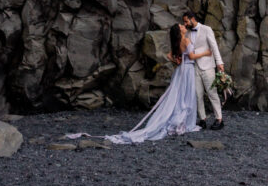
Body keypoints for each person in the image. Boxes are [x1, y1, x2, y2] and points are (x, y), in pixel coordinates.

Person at [67, 22, 200, 144]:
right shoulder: (186, 40)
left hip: (180, 70)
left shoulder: (177, 42)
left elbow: (170, 56)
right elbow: (192, 56)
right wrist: (205, 53)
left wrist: (177, 62)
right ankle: (184, 121)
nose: (183, 25)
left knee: (177, 95)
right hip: (187, 70)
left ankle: (177, 120)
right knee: (186, 94)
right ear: (179, 30)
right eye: (181, 25)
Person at [181, 10, 225, 130]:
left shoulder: (206, 29)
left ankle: (219, 119)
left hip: (207, 67)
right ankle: (202, 119)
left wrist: (219, 62)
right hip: (194, 67)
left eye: (186, 21)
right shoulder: (187, 33)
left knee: (212, 93)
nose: (185, 24)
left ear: (192, 18)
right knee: (197, 95)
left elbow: (214, 46)